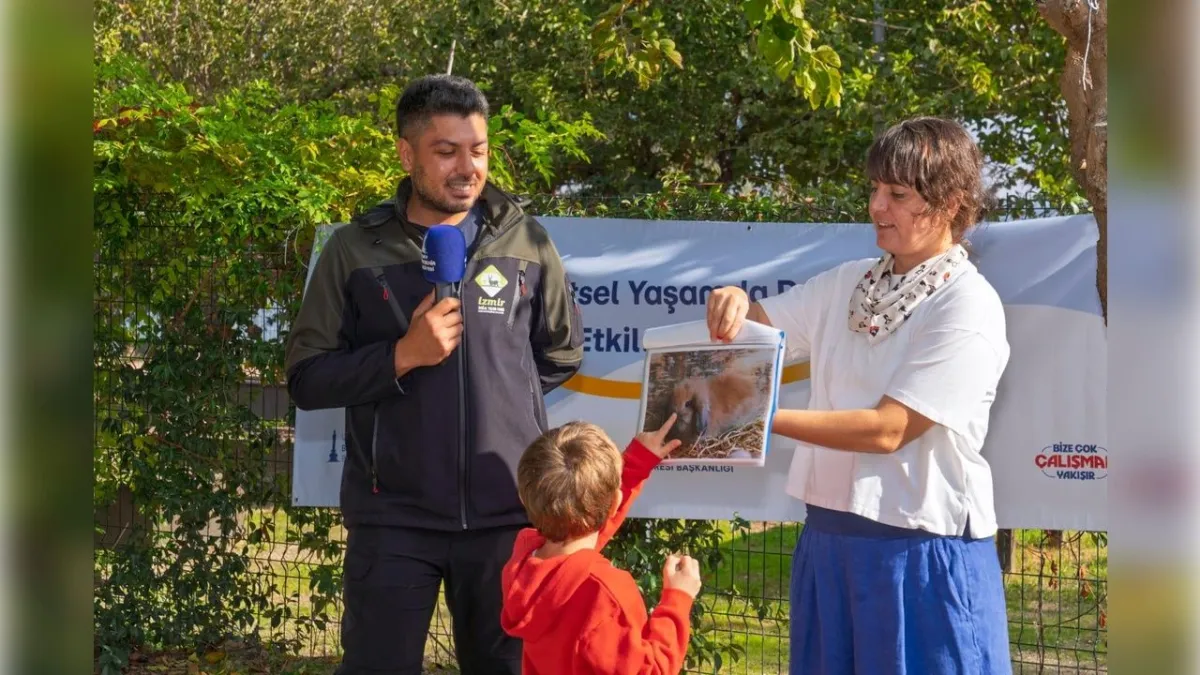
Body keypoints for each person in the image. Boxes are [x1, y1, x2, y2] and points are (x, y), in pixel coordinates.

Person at [284, 74, 585, 675]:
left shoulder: (527, 240)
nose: (467, 168)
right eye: (446, 151)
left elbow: (560, 353)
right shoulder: (353, 250)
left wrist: (498, 400)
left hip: (508, 517)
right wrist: (401, 357)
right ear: (407, 154)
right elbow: (308, 377)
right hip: (392, 519)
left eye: (478, 150)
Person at [705, 116, 1012, 675]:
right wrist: (734, 302)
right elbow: (758, 328)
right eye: (874, 189)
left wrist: (756, 416)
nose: (876, 206)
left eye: (898, 194)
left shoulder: (967, 305)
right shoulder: (848, 281)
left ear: (951, 203)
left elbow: (889, 430)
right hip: (829, 539)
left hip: (921, 552)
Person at [499, 414, 701, 675]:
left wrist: (639, 460)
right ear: (615, 503)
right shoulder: (603, 592)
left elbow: (581, 530)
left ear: (523, 497)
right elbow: (650, 671)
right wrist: (677, 599)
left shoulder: (527, 563)